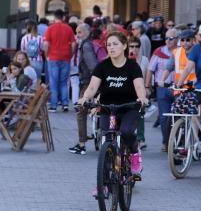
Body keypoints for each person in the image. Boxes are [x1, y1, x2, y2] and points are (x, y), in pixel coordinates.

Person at [77, 31, 149, 177]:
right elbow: (92, 87)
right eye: (108, 45)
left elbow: (140, 87)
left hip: (129, 107)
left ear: (124, 46)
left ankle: (135, 154)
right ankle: (104, 183)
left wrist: (142, 98)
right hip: (108, 108)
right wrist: (85, 98)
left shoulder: (132, 66)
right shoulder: (102, 66)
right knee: (107, 139)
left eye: (115, 44)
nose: (111, 47)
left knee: (126, 132)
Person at [69, 23, 100, 155]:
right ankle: (87, 138)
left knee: (81, 112)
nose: (77, 35)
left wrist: (96, 83)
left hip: (89, 82)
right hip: (89, 81)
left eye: (79, 32)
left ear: (87, 32)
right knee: (88, 111)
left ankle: (82, 144)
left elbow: (93, 65)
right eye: (77, 32)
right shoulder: (87, 44)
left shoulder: (86, 46)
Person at [148, 29, 177, 149]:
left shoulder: (182, 51)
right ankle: (166, 142)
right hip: (163, 88)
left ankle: (177, 142)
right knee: (164, 117)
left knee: (177, 116)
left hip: (178, 88)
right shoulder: (159, 52)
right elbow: (150, 70)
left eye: (171, 38)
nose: (168, 41)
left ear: (177, 39)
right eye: (166, 38)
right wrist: (147, 86)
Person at [43, 9, 76, 112]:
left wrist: (46, 55)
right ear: (63, 17)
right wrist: (71, 54)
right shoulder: (68, 28)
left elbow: (45, 44)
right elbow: (74, 44)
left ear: (54, 17)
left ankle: (53, 106)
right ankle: (65, 104)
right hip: (65, 58)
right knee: (63, 82)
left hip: (53, 58)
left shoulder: (50, 28)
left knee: (53, 82)